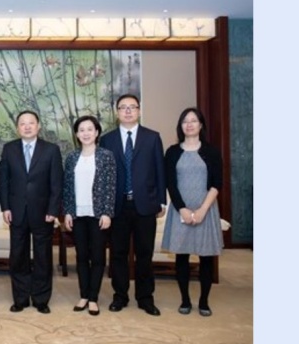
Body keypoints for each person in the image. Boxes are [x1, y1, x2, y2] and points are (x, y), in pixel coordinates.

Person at [99, 93, 166, 316]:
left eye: (132, 107)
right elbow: (104, 176)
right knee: (117, 253)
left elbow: (159, 170)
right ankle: (120, 296)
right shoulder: (107, 140)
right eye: (123, 107)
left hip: (145, 205)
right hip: (117, 206)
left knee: (144, 254)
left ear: (139, 110)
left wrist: (161, 201)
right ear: (117, 112)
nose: (128, 111)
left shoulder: (152, 137)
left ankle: (145, 297)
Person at [0, 110, 62, 314]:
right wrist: (6, 207)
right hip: (16, 212)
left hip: (43, 213)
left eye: (31, 123)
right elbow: (4, 181)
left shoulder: (51, 150)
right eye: (23, 123)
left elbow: (56, 183)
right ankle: (21, 298)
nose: (27, 126)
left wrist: (54, 210)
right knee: (18, 256)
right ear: (17, 128)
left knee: (43, 257)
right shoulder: (9, 149)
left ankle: (41, 299)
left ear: (38, 126)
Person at [162, 108, 224, 317]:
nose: (189, 125)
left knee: (206, 258)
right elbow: (170, 183)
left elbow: (217, 183)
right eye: (185, 121)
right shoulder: (172, 152)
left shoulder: (211, 151)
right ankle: (185, 300)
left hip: (206, 209)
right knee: (182, 257)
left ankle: (204, 301)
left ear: (201, 125)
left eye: (193, 121)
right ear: (180, 126)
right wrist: (183, 210)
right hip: (181, 210)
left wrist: (203, 210)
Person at [63, 115, 116, 316]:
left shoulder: (106, 156)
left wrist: (107, 213)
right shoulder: (71, 157)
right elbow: (67, 187)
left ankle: (93, 298)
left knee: (98, 257)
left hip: (98, 215)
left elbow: (111, 186)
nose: (85, 133)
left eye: (89, 129)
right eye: (81, 130)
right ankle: (83, 295)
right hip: (77, 214)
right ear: (76, 134)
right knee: (81, 256)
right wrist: (67, 211)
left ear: (96, 132)